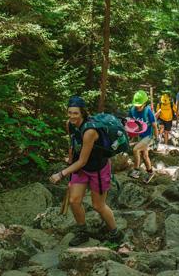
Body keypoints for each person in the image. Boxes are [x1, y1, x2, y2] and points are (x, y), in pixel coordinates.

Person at [49, 96, 124, 246]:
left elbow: (83, 160)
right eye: (69, 112)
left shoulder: (90, 131)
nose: (72, 116)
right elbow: (73, 143)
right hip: (80, 167)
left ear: (82, 113)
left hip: (98, 168)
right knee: (74, 200)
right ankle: (82, 232)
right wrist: (70, 160)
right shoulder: (69, 124)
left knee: (98, 205)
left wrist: (62, 173)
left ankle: (116, 233)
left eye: (75, 113)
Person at [128, 90, 158, 182]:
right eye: (136, 105)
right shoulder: (132, 110)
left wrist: (156, 139)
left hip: (149, 136)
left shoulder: (148, 111)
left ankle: (136, 170)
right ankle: (150, 172)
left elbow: (154, 125)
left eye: (139, 105)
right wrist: (131, 136)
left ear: (144, 103)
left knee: (135, 149)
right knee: (145, 156)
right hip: (140, 135)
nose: (137, 107)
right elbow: (131, 124)